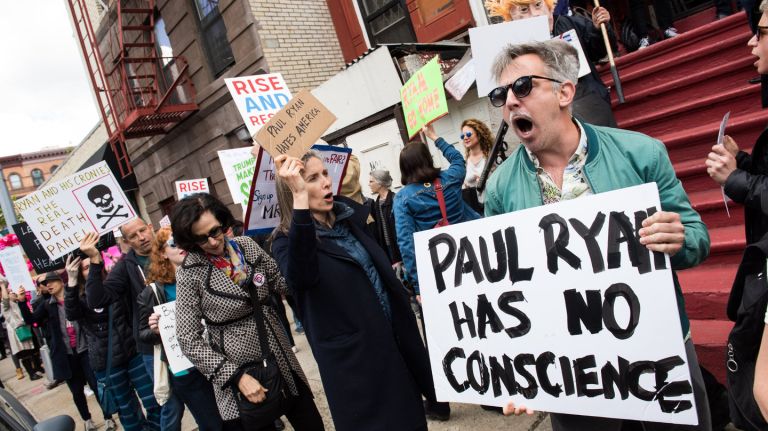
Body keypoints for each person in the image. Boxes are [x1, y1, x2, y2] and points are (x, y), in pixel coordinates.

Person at [484, 39, 712, 430]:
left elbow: (696, 239)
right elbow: (499, 286)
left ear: (564, 92)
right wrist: (514, 370)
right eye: (500, 95)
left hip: (658, 350)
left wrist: (679, 239)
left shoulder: (641, 154)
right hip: (571, 371)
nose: (510, 102)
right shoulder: (499, 188)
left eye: (523, 87)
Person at [270, 150, 449, 429]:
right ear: (293, 191)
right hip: (358, 371)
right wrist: (301, 199)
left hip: (396, 352)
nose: (326, 182)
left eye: (325, 173)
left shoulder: (350, 220)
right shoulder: (285, 242)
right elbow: (301, 277)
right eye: (312, 179)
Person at [171, 194, 323, 431]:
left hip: (279, 356)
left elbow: (283, 282)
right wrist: (236, 377)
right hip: (240, 373)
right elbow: (188, 339)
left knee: (311, 423)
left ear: (222, 221)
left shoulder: (247, 246)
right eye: (200, 238)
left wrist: (300, 245)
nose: (212, 242)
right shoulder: (189, 273)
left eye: (215, 231)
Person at [65, 248, 161, 431]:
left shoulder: (114, 286)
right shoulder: (79, 297)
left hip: (133, 354)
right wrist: (71, 281)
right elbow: (71, 313)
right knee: (128, 412)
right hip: (107, 364)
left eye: (91, 265)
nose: (90, 270)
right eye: (85, 268)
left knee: (154, 401)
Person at [137, 227, 223, 431]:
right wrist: (155, 330)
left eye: (184, 242)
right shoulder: (153, 292)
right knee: (211, 423)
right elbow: (142, 334)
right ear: (163, 253)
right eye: (174, 244)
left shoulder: (208, 271)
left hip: (220, 357)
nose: (181, 247)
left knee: (235, 419)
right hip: (187, 369)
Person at [82, 221, 166, 429]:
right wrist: (94, 260)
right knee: (168, 405)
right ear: (126, 241)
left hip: (191, 335)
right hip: (154, 348)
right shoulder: (125, 267)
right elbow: (97, 299)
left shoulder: (170, 249)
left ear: (150, 227)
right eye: (133, 236)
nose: (141, 237)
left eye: (142, 230)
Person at [485, 0, 617, 127]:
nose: (535, 13)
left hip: (590, 104)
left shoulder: (571, 23)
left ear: (548, 4)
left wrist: (599, 29)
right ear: (511, 16)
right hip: (545, 115)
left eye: (538, 5)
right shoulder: (511, 48)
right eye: (524, 10)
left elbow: (600, 52)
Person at [15, 270, 115, 431]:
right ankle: (87, 420)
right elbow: (31, 320)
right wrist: (21, 302)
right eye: (45, 284)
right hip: (66, 355)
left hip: (86, 351)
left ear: (61, 281)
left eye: (51, 281)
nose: (48, 285)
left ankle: (108, 417)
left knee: (96, 386)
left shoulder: (78, 297)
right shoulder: (47, 305)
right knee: (77, 392)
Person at [394, 124, 481, 301]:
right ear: (429, 159)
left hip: (441, 266)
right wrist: (434, 136)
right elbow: (457, 158)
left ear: (404, 168)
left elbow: (406, 243)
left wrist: (419, 285)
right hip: (474, 252)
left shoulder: (402, 198)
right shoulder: (451, 177)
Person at [1, 279, 43, 381]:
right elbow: (5, 298)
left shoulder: (16, 302)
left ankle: (37, 367)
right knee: (24, 354)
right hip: (17, 331)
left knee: (33, 349)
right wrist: (2, 285)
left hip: (25, 327)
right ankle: (31, 374)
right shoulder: (4, 304)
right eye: (8, 291)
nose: (11, 291)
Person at [368, 169, 403, 269]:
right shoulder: (375, 203)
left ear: (380, 183)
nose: (369, 184)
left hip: (399, 247)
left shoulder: (395, 199)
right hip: (386, 248)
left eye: (371, 181)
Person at [459, 118, 494, 213]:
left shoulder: (491, 157)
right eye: (462, 136)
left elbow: (501, 182)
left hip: (493, 205)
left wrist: (487, 182)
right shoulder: (465, 161)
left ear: (479, 134)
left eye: (468, 134)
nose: (465, 138)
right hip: (476, 209)